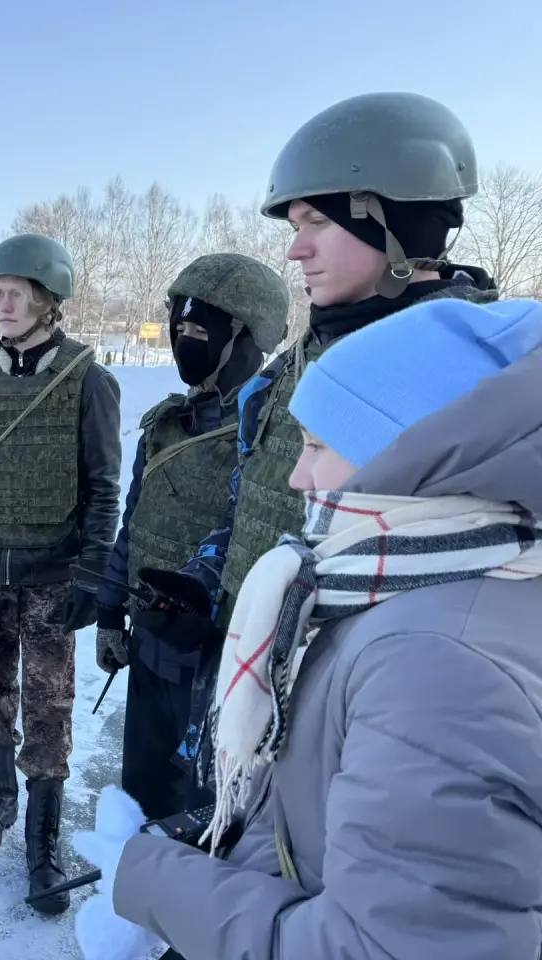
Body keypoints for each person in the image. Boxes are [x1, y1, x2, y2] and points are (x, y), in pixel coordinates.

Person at [95, 296, 542, 960]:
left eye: (319, 446)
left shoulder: (433, 663)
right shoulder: (405, 581)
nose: (299, 477)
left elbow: (373, 947)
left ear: (403, 452)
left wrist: (147, 877)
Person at [136, 92, 497, 789]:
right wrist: (206, 584)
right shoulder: (303, 357)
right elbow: (252, 498)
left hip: (370, 730)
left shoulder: (468, 373)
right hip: (253, 690)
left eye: (317, 223)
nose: (295, 247)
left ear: (398, 223)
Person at [0, 234, 122, 913]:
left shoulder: (88, 378)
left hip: (52, 575)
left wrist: (93, 571)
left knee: (50, 705)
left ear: (46, 299)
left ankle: (43, 841)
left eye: (14, 293)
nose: (1, 304)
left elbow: (102, 486)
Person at [94, 254, 288, 821]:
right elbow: (134, 524)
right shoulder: (167, 425)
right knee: (141, 801)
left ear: (248, 339)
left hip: (221, 662)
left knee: (204, 816)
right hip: (153, 645)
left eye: (200, 330)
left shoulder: (272, 434)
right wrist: (110, 613)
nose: (184, 342)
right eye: (178, 329)